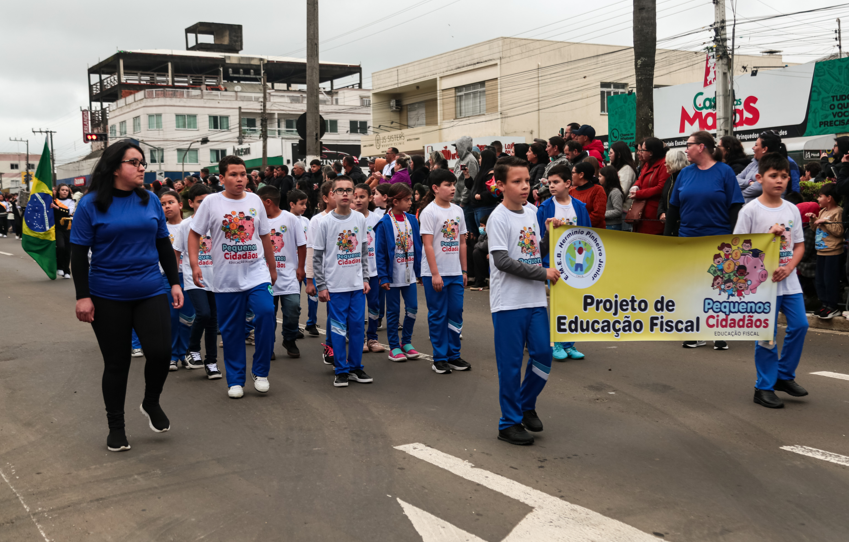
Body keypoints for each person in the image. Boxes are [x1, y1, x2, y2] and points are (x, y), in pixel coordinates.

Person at [70, 140, 183, 452]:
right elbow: (78, 255)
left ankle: (150, 401)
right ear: (115, 167)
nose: (141, 167)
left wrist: (174, 283)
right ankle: (116, 426)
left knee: (160, 352)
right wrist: (83, 296)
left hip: (150, 288)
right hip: (107, 295)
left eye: (142, 162)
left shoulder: (149, 200)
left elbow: (163, 244)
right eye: (134, 162)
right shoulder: (91, 204)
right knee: (117, 363)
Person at [188, 155, 277, 400]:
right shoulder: (211, 203)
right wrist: (195, 265)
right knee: (232, 331)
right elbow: (194, 234)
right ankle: (236, 379)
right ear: (222, 177)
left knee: (267, 313)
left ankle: (260, 372)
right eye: (233, 175)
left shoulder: (255, 200)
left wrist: (272, 268)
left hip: (256, 274)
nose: (239, 179)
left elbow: (266, 236)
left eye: (243, 174)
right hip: (226, 279)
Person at [488, 156, 560, 446]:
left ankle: (525, 404)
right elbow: (503, 260)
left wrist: (549, 233)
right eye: (517, 182)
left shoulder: (532, 211)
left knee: (543, 354)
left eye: (527, 181)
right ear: (501, 185)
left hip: (535, 301)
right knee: (510, 365)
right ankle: (508, 423)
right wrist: (541, 272)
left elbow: (531, 248)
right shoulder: (498, 217)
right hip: (508, 303)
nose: (524, 186)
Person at [733, 152, 808, 409]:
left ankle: (784, 375)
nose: (779, 181)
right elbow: (739, 249)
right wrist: (767, 235)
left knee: (800, 325)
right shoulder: (749, 210)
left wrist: (789, 268)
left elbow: (799, 245)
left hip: (788, 281)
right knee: (766, 334)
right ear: (759, 178)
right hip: (761, 283)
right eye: (773, 176)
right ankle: (763, 386)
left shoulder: (792, 210)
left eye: (784, 176)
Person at [666, 131, 744, 349]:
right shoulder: (684, 174)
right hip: (689, 238)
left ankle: (719, 330)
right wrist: (666, 237)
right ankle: (695, 330)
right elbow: (674, 208)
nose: (686, 149)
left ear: (701, 147)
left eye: (688, 145)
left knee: (718, 285)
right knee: (692, 286)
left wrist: (732, 237)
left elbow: (735, 206)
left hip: (718, 239)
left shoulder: (725, 172)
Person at [313, 176, 372, 387]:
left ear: (354, 193)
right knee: (338, 329)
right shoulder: (324, 222)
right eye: (340, 190)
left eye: (349, 190)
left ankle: (356, 367)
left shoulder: (359, 219)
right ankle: (341, 369)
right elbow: (318, 257)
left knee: (357, 327)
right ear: (332, 194)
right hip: (335, 287)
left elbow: (364, 252)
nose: (345, 194)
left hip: (356, 286)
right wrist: (321, 285)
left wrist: (365, 278)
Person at [537, 163, 591, 361]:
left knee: (572, 302)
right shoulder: (545, 207)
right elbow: (538, 237)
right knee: (558, 302)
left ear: (568, 183)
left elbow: (588, 234)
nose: (551, 186)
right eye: (549, 182)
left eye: (556, 182)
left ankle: (569, 344)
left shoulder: (579, 207)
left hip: (576, 263)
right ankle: (556, 342)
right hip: (553, 262)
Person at [419, 168, 470, 374]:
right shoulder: (429, 212)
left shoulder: (458, 210)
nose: (452, 189)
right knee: (438, 314)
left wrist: (464, 270)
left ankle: (454, 355)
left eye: (453, 184)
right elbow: (428, 245)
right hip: (435, 273)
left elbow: (463, 242)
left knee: (456, 313)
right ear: (435, 188)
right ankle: (439, 357)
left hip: (455, 272)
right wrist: (435, 274)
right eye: (448, 185)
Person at [173, 183, 221, 379]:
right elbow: (176, 253)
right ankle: (192, 349)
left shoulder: (218, 223)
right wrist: (174, 281)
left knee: (213, 322)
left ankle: (211, 362)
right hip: (194, 279)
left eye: (207, 201)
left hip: (217, 280)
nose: (204, 205)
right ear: (191, 203)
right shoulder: (186, 225)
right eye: (200, 201)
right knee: (203, 313)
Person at [257, 185, 306, 358]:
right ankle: (268, 345)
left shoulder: (291, 219)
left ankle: (289, 338)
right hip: (264, 276)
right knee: (268, 312)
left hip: (288, 275)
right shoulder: (257, 220)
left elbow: (301, 244)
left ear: (267, 202)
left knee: (293, 308)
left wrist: (300, 267)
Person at [375, 183, 423, 362]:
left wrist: (420, 271)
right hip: (392, 276)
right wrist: (383, 276)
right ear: (395, 202)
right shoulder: (384, 223)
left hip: (409, 274)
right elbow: (380, 253)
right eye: (407, 199)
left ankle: (406, 342)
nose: (411, 202)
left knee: (412, 308)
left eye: (411, 199)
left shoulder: (412, 219)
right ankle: (394, 346)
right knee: (393, 311)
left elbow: (418, 246)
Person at [157, 190, 197, 371]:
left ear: (180, 205)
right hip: (166, 278)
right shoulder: (159, 229)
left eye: (170, 202)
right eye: (163, 204)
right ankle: (172, 355)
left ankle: (185, 354)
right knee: (171, 317)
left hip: (187, 276)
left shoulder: (191, 226)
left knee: (187, 318)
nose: (167, 206)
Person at [352, 183, 384, 354]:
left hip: (373, 271)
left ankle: (372, 337)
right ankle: (359, 338)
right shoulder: (348, 218)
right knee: (357, 308)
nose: (358, 200)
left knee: (374, 305)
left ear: (370, 198)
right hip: (353, 272)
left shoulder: (377, 219)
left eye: (362, 196)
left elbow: (382, 246)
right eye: (355, 196)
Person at [806, 183, 844, 319]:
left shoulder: (838, 212)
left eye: (820, 196)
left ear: (829, 198)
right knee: (820, 280)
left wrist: (825, 223)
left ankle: (833, 306)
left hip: (833, 252)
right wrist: (813, 220)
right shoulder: (822, 212)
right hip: (821, 251)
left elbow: (839, 232)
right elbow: (815, 229)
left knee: (830, 280)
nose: (818, 199)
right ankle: (824, 304)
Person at [305, 182, 336, 350]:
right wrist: (310, 280)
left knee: (347, 314)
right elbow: (311, 250)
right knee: (334, 312)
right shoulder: (317, 220)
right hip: (327, 273)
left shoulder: (354, 217)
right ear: (325, 198)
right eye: (334, 192)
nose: (340, 195)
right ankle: (330, 347)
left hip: (347, 273)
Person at [630, 138, 669, 235]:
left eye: (643, 150)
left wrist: (639, 194)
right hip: (642, 214)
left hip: (654, 215)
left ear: (651, 152)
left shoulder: (663, 165)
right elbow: (641, 178)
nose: (640, 152)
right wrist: (636, 186)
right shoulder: (647, 164)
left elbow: (661, 187)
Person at [657, 150, 688, 231]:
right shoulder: (669, 180)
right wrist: (661, 212)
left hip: (680, 225)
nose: (665, 165)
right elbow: (662, 198)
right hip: (669, 223)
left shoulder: (685, 180)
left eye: (667, 162)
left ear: (675, 163)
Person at [468, 149, 500, 226]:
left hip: (485, 207)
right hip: (478, 207)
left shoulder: (490, 173)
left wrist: (480, 196)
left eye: (480, 158)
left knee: (486, 233)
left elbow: (493, 190)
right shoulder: (482, 172)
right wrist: (467, 176)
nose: (479, 160)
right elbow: (473, 187)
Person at [569, 162, 606, 228]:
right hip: (574, 232)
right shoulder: (571, 192)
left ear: (581, 175)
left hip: (594, 234)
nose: (571, 176)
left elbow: (598, 215)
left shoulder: (598, 190)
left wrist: (579, 223)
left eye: (573, 173)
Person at [53, 184, 75, 278]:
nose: (65, 191)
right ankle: (60, 267)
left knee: (68, 250)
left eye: (66, 190)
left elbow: (68, 212)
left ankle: (67, 271)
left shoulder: (71, 201)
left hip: (69, 228)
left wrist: (56, 207)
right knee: (61, 247)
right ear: (58, 191)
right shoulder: (54, 201)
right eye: (62, 190)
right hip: (58, 228)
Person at [452, 137, 479, 207]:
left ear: (462, 147)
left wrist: (463, 201)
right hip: (457, 201)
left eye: (457, 147)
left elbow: (469, 183)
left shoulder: (470, 160)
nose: (455, 149)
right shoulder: (459, 161)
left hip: (465, 203)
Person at [599, 166, 624, 230]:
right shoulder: (604, 190)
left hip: (613, 226)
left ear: (607, 177)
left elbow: (618, 211)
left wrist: (601, 214)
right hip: (606, 224)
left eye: (600, 176)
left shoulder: (615, 192)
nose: (598, 178)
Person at [470, 215, 489, 290]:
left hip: (492, 255)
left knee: (477, 252)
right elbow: (479, 243)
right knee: (473, 251)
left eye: (482, 226)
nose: (480, 228)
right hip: (486, 254)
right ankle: (474, 278)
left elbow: (486, 245)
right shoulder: (483, 235)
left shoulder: (492, 233)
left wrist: (477, 245)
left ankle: (481, 280)